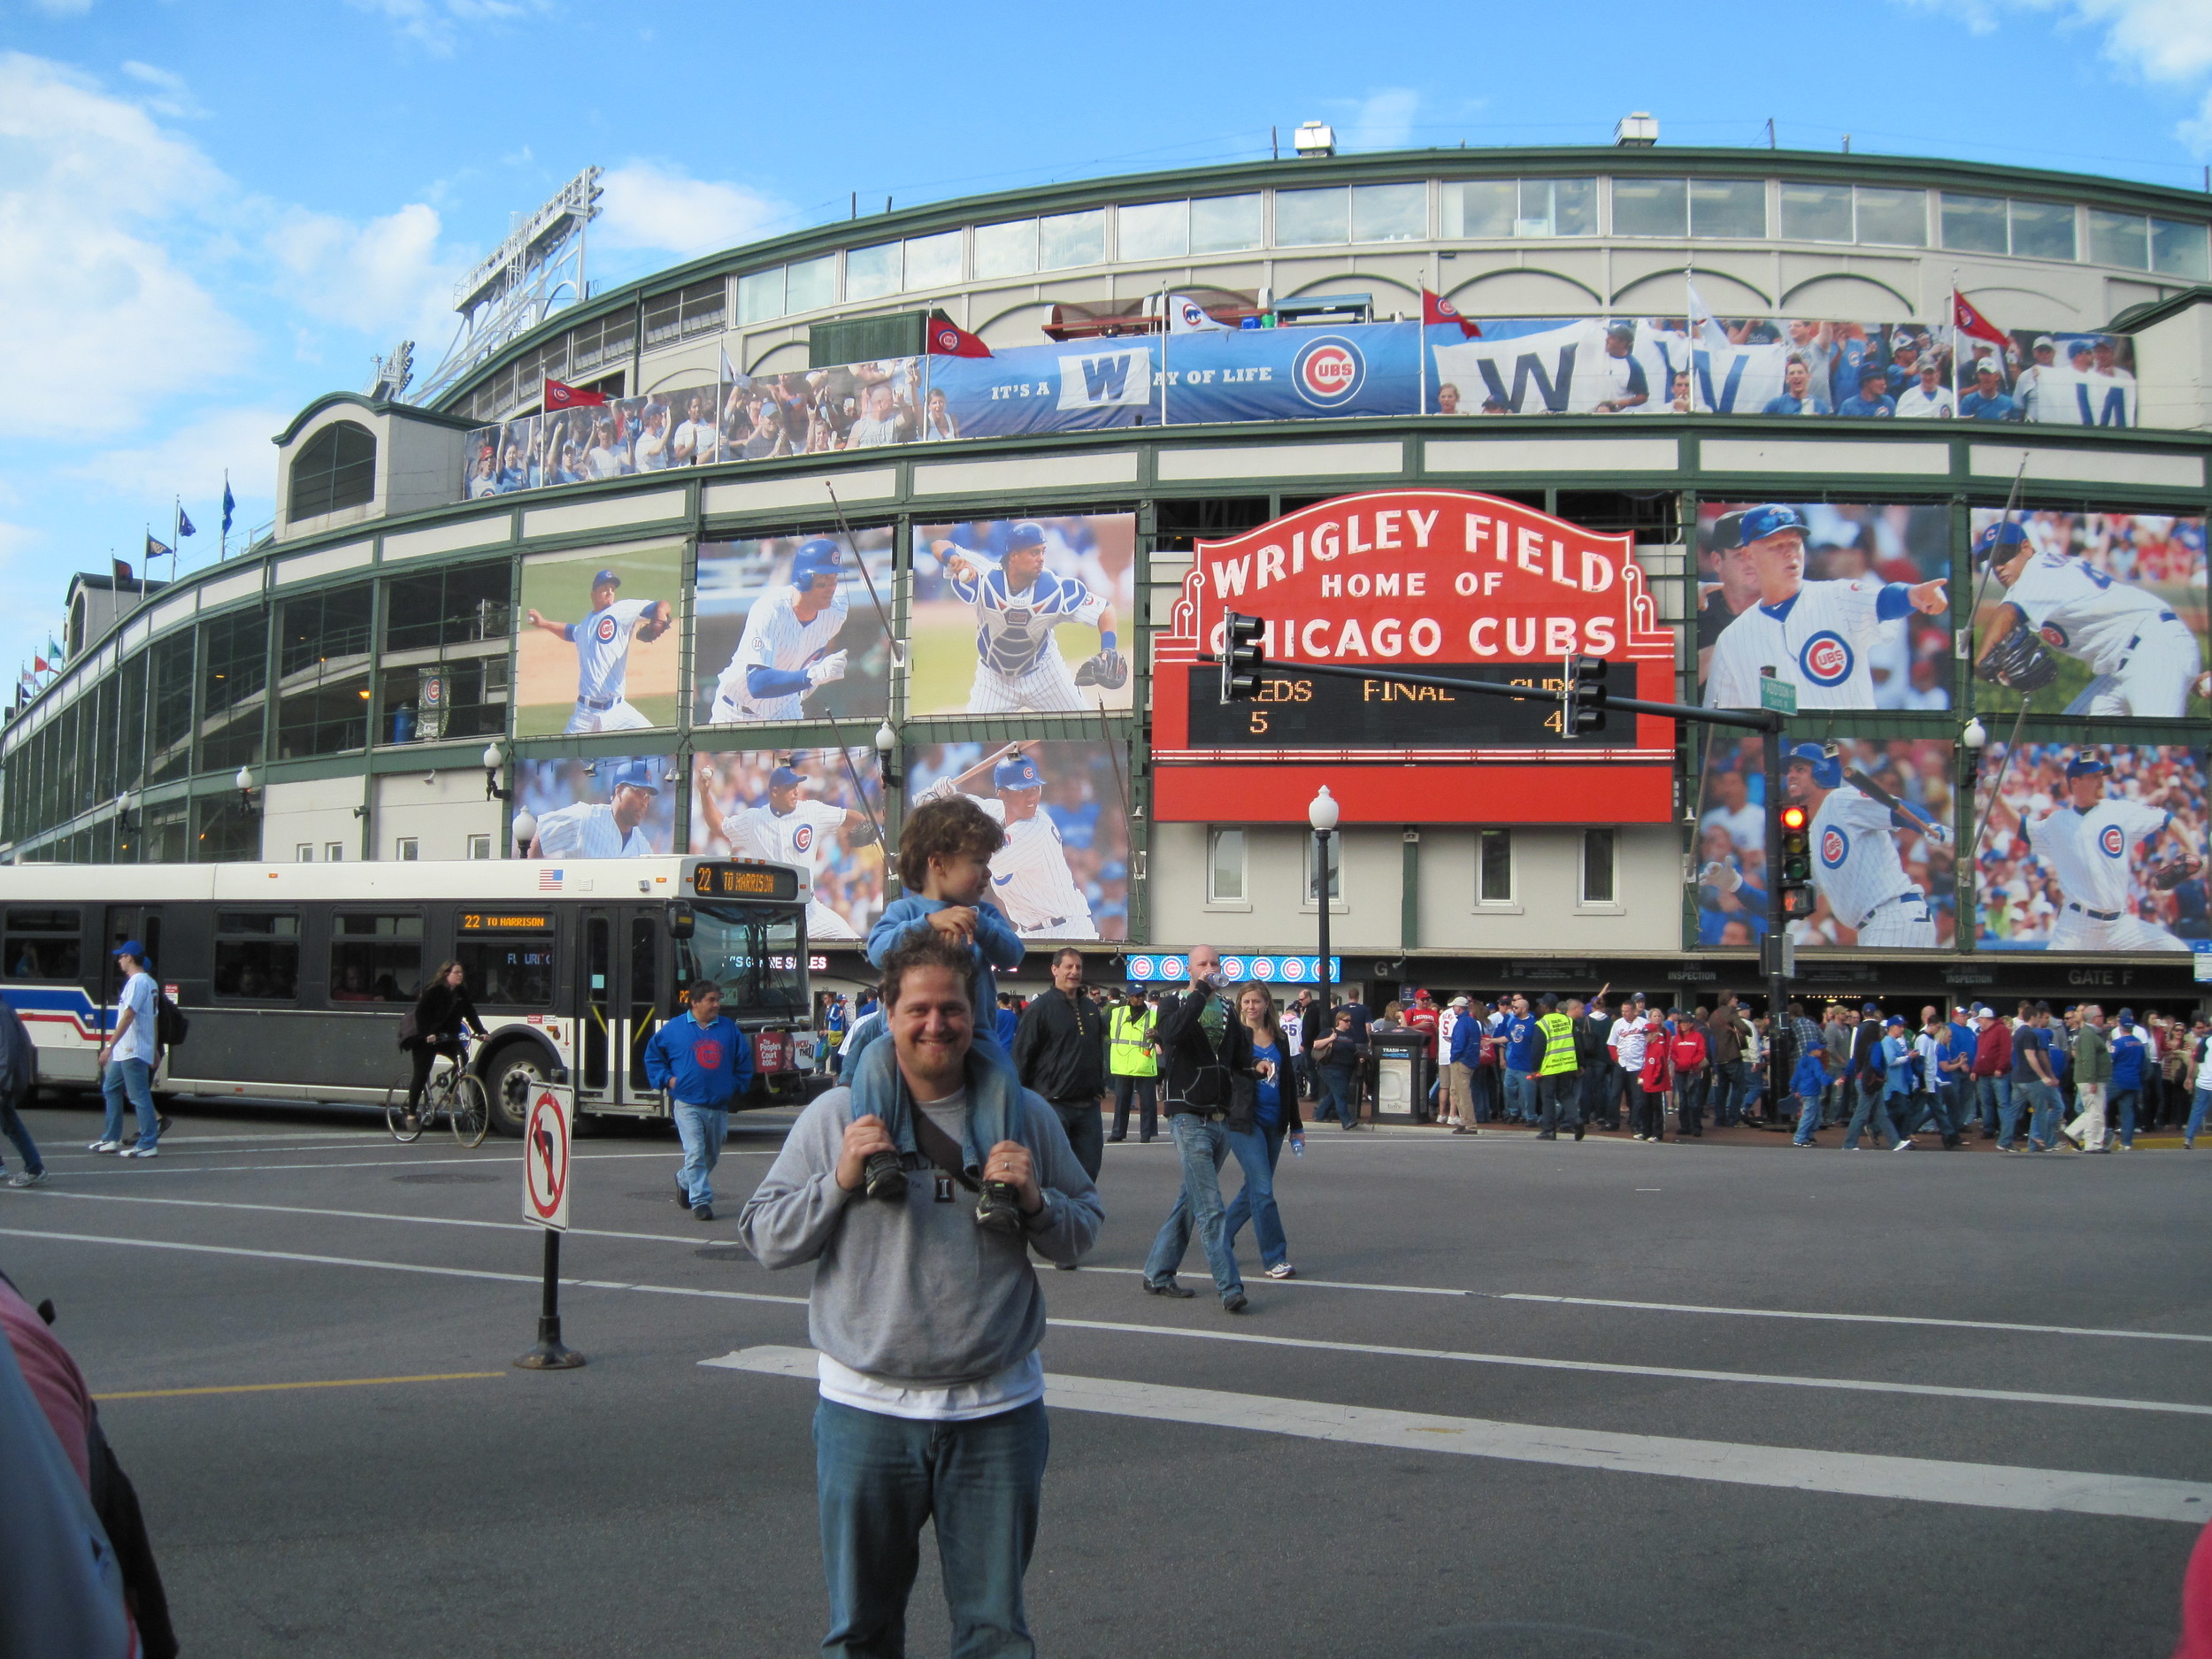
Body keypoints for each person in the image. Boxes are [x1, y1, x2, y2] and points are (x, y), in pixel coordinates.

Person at [737, 928, 1100, 1659]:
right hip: (865, 1413)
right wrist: (838, 1181)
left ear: (978, 1014)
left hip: (997, 1413)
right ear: (889, 1013)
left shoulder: (1023, 1113)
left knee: (996, 1633)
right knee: (862, 1632)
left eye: (953, 1009)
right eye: (920, 1009)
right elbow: (766, 1237)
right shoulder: (836, 1117)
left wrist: (1035, 1202)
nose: (937, 1024)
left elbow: (1082, 1229)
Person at [1702, 505, 1947, 711]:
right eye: (1776, 546)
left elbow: (1883, 601)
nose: (1790, 554)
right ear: (1749, 556)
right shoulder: (1733, 638)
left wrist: (1913, 594)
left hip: (1849, 748)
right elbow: (1721, 719)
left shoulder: (1837, 596)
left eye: (1794, 544)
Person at [854, 795, 1025, 1077]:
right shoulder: (905, 911)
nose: (988, 873)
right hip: (908, 1042)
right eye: (978, 862)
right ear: (938, 864)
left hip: (976, 1040)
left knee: (1004, 1079)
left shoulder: (985, 914)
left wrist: (980, 926)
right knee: (872, 1062)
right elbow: (878, 951)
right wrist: (929, 924)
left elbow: (1012, 955)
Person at [1972, 520, 2203, 719]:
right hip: (2130, 663)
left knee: (2160, 750)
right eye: (1992, 561)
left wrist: (1980, 662)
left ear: (2026, 548)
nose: (1999, 567)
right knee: (2073, 742)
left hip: (2154, 649)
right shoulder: (2042, 574)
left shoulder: (2036, 574)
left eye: (2004, 556)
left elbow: (2007, 613)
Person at [1143, 946, 1268, 1310]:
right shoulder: (1172, 1003)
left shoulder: (1229, 1009)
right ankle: (1230, 1288)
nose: (1210, 969)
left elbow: (1236, 1059)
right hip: (1187, 1114)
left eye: (1214, 963)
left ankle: (1157, 1272)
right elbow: (1175, 1035)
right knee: (1211, 1207)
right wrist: (1199, 992)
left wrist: (1254, 1068)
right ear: (1190, 968)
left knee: (1190, 1200)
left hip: (1219, 1118)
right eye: (1203, 964)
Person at [919, 752, 1100, 940]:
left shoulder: (1037, 829)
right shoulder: (997, 811)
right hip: (1028, 931)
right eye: (1022, 791)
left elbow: (981, 858)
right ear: (1002, 794)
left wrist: (941, 809)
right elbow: (970, 807)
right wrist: (942, 799)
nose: (1032, 798)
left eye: (1035, 789)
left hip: (1067, 930)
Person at [706, 760, 878, 942]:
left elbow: (847, 816)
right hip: (772, 917)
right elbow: (719, 826)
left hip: (809, 910)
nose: (796, 792)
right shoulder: (754, 820)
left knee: (852, 942)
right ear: (775, 792)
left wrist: (868, 828)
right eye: (790, 788)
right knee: (742, 952)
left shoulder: (811, 811)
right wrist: (704, 792)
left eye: (797, 786)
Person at [705, 539, 853, 725]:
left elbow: (814, 650)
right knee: (712, 753)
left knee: (802, 753)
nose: (832, 587)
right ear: (803, 578)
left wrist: (817, 669)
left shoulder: (837, 611)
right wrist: (813, 675)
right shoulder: (770, 608)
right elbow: (757, 684)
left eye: (835, 578)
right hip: (735, 709)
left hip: (784, 707)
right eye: (824, 579)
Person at [643, 980, 755, 1221]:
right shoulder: (674, 1029)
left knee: (710, 1156)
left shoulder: (728, 1029)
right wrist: (668, 1079)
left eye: (718, 999)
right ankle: (701, 1202)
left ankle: (684, 1179)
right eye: (711, 1000)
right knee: (694, 1153)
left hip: (718, 1106)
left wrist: (734, 1085)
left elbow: (743, 1061)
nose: (717, 1004)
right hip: (687, 1104)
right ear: (694, 1002)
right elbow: (653, 1056)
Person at [522, 566, 672, 734]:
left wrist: (660, 616)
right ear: (593, 594)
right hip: (586, 714)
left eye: (612, 589)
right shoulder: (586, 624)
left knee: (660, 747)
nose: (609, 593)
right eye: (604, 589)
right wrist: (543, 623)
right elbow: (571, 632)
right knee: (566, 760)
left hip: (618, 710)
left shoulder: (621, 611)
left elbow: (662, 605)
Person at [1222, 984, 1302, 1281]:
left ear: (1268, 1004)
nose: (1251, 1006)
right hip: (1244, 1122)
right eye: (1246, 1001)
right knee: (1263, 1190)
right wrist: (1255, 1067)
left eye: (1257, 1001)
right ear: (1240, 1005)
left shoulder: (1280, 1039)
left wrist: (1297, 1127)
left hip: (1274, 1123)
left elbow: (1289, 1085)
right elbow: (1230, 1069)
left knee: (1253, 1190)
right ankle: (1274, 1257)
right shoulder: (1236, 1038)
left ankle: (1220, 1237)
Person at [1011, 948, 1107, 1187]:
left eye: (1078, 967)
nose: (1074, 972)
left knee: (1088, 1175)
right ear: (1055, 970)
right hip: (1052, 1106)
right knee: (1053, 1176)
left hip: (1088, 1107)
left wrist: (1099, 1089)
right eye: (1069, 967)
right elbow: (1022, 1057)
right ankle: (1053, 1222)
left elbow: (1096, 1051)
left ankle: (1079, 1221)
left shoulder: (1091, 1009)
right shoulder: (1039, 1009)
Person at [93, 942, 162, 1157]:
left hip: (131, 1048)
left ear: (130, 957)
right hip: (131, 1049)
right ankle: (110, 1139)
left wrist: (109, 1046)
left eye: (121, 956)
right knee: (111, 1088)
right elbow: (153, 1018)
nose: (119, 960)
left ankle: (148, 1143)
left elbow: (129, 1015)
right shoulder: (150, 983)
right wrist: (155, 1048)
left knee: (139, 1095)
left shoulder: (137, 982)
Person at [402, 960, 488, 1131]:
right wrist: (427, 1034)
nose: (460, 975)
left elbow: (471, 1014)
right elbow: (421, 1013)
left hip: (447, 1037)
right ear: (446, 974)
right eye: (456, 972)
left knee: (462, 1057)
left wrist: (482, 1032)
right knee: (421, 1073)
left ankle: (450, 1091)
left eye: (461, 973)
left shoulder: (461, 993)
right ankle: (411, 1115)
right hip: (426, 1039)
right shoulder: (434, 991)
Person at [527, 760, 662, 859]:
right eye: (639, 793)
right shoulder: (585, 817)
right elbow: (542, 837)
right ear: (619, 791)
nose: (644, 802)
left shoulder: (642, 846)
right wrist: (535, 890)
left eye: (647, 797)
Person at [0, 993, 46, 1187]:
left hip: (5, 1081)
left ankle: (35, 1168)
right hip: (6, 1080)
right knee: (9, 1123)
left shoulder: (1, 1012)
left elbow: (7, 1053)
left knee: (11, 1124)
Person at [2008, 1002, 2063, 1153]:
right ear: (2036, 1017)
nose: (2045, 1020)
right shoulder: (2037, 1034)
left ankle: (2037, 1139)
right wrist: (2048, 1076)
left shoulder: (2022, 1032)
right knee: (2051, 1108)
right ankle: (2043, 1137)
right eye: (2043, 1017)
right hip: (2036, 1078)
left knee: (2036, 1109)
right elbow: (2041, 1057)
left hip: (2024, 1077)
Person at [1106, 987, 1159, 1144]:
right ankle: (1118, 1132)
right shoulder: (1117, 1013)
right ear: (1130, 997)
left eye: (1143, 995)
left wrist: (1157, 1034)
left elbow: (1164, 1033)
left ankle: (1146, 1134)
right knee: (1122, 1100)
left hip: (1144, 1062)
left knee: (1148, 1101)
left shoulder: (1153, 1015)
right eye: (1137, 996)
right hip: (1123, 1063)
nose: (1141, 998)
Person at [1532, 993, 1583, 1141]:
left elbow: (1537, 1049)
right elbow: (1578, 1044)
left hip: (1549, 1067)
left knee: (1548, 1098)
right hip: (1567, 1065)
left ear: (1546, 1007)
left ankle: (1549, 1130)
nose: (1540, 1006)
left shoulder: (1542, 1023)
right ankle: (1577, 1120)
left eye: (1542, 1004)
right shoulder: (1568, 1021)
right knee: (1565, 1095)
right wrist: (1579, 1064)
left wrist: (1535, 1069)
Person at [2063, 1003, 2111, 1152]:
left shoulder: (2089, 1033)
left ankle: (2074, 1132)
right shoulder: (2089, 1035)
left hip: (2091, 1078)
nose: (2103, 1019)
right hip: (2091, 1079)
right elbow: (2089, 1058)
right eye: (2101, 1016)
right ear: (2095, 1018)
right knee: (2096, 1112)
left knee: (2092, 1110)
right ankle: (2094, 1144)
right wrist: (2092, 1079)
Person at [1310, 1006, 1365, 1130]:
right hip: (1331, 1069)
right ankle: (1346, 1120)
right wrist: (1330, 1039)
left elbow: (1353, 1051)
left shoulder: (1351, 1035)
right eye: (1346, 1020)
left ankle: (1319, 1114)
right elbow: (1316, 1044)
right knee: (1341, 1094)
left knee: (1334, 1094)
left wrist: (1359, 1059)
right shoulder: (1330, 1032)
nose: (1348, 1023)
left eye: (1350, 1021)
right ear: (1339, 1020)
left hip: (1346, 1070)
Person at [2108, 1009, 2150, 1150]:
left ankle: (2098, 1135)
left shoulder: (2118, 1043)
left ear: (2121, 1027)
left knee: (2097, 1105)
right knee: (2127, 1112)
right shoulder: (2139, 1044)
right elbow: (2145, 1064)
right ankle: (2126, 1143)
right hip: (2133, 1082)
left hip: (2117, 1081)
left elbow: (2109, 1061)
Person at [1667, 1009, 1709, 1138]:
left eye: (1686, 1023)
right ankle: (1684, 1125)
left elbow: (1701, 1053)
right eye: (1681, 1023)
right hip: (1680, 1071)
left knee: (1694, 1100)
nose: (1683, 1025)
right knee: (1683, 1100)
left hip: (1693, 1071)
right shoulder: (1677, 1038)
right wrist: (1678, 1061)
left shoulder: (1698, 1037)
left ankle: (1696, 1126)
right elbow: (1673, 1053)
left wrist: (1692, 1063)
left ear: (1691, 1024)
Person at [1445, 995, 1479, 1134]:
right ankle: (1465, 1121)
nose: (1453, 1009)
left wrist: (1453, 1057)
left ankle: (1470, 1124)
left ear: (1458, 1007)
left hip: (1462, 1061)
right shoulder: (1472, 1022)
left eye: (1454, 1006)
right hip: (1469, 1059)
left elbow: (1458, 1043)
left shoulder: (1462, 1023)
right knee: (1456, 1091)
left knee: (1462, 1093)